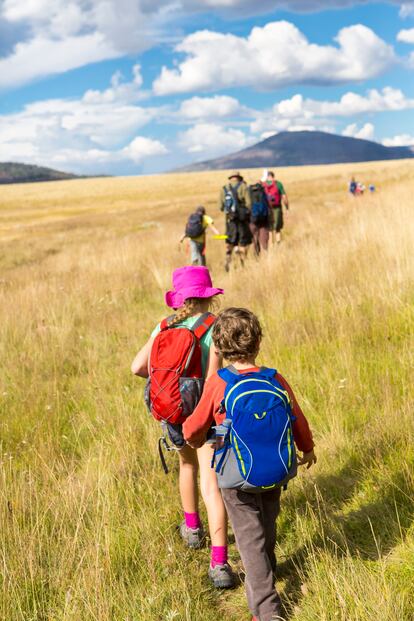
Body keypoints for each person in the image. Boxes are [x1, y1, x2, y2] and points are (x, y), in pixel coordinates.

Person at [183, 307, 317, 621]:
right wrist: (307, 449)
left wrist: (192, 438)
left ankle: (267, 611)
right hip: (276, 470)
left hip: (235, 477)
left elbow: (194, 426)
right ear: (258, 342)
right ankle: (268, 570)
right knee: (267, 527)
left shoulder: (219, 382)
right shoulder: (274, 378)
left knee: (250, 542)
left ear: (219, 347)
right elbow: (297, 418)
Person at [131, 266, 235, 589]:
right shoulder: (213, 326)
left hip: (172, 412)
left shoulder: (163, 326)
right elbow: (213, 378)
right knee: (211, 483)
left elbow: (137, 367)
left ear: (179, 299)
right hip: (202, 414)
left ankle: (192, 529)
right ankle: (219, 563)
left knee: (185, 465)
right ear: (207, 296)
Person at [218, 172, 252, 272]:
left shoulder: (223, 189)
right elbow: (249, 203)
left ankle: (227, 261)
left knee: (230, 241)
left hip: (229, 221)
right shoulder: (243, 186)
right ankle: (242, 265)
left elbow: (220, 207)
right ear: (239, 178)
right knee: (242, 242)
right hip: (242, 221)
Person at [262, 171, 289, 244]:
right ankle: (278, 243)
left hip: (267, 208)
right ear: (273, 176)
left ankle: (271, 244)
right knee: (278, 228)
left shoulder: (263, 185)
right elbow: (284, 197)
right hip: (277, 208)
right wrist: (287, 208)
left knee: (270, 228)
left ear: (267, 177)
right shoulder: (278, 184)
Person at [249, 181, 271, 255]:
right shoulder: (263, 192)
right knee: (264, 237)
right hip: (264, 219)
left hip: (252, 219)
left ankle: (256, 255)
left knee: (254, 237)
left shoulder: (249, 192)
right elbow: (269, 204)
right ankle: (266, 253)